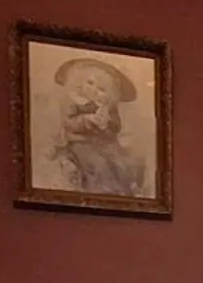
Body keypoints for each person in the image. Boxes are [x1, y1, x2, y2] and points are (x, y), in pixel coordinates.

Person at [47, 56, 146, 195]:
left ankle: (126, 189)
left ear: (110, 94)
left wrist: (106, 124)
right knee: (98, 164)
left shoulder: (108, 108)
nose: (94, 89)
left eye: (101, 89)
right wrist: (87, 120)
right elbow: (69, 123)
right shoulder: (76, 103)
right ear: (80, 82)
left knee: (122, 163)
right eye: (90, 83)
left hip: (108, 145)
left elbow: (116, 127)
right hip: (82, 144)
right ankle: (103, 191)